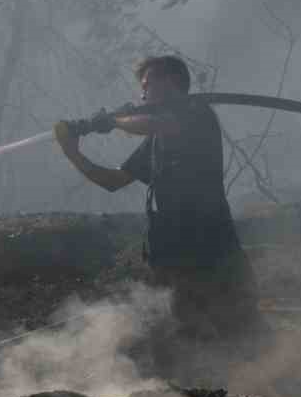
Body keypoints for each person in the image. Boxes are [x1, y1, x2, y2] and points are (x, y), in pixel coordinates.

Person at [55, 55, 259, 342]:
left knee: (245, 335)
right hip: (176, 260)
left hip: (215, 251)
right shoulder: (154, 143)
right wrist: (72, 154)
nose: (142, 94)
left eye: (147, 85)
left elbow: (161, 124)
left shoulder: (196, 113)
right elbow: (113, 181)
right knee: (188, 343)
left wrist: (114, 121)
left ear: (170, 82)